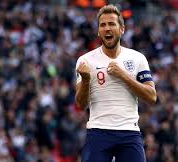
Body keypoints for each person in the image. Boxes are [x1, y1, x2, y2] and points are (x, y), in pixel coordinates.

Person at [75, 4, 157, 162]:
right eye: (103, 25)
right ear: (99, 31)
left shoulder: (137, 58)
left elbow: (151, 97)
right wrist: (85, 80)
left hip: (129, 132)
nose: (107, 28)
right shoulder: (85, 61)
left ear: (122, 29)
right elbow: (80, 105)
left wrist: (123, 76)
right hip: (98, 132)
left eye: (112, 24)